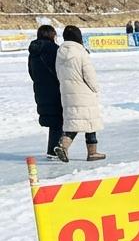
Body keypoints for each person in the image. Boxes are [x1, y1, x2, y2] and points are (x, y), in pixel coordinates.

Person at [54, 25, 105, 162]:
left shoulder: (60, 53)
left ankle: (63, 146)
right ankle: (92, 152)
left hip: (67, 92)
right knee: (90, 122)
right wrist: (95, 88)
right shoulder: (81, 52)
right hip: (84, 92)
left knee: (75, 121)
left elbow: (58, 73)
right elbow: (89, 74)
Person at [27, 22, 63, 160]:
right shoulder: (54, 49)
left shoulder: (33, 52)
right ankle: (55, 150)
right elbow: (59, 69)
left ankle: (52, 149)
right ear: (51, 35)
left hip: (40, 89)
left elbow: (31, 71)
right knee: (58, 119)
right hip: (55, 88)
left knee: (53, 119)